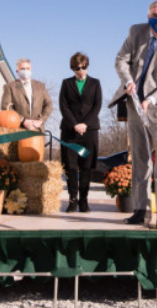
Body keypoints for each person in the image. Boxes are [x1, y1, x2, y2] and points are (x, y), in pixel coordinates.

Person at [113, 0, 157, 230]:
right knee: (139, 158)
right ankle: (140, 209)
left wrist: (151, 99)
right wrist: (128, 80)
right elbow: (121, 60)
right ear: (148, 17)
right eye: (155, 15)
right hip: (134, 103)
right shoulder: (136, 32)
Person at [58, 52, 103, 213]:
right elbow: (64, 106)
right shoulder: (66, 83)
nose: (81, 71)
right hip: (70, 131)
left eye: (83, 67)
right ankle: (72, 200)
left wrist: (85, 123)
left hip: (89, 131)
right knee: (70, 167)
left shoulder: (95, 83)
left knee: (86, 167)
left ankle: (83, 201)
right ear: (72, 68)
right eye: (77, 68)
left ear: (87, 66)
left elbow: (97, 106)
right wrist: (75, 124)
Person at [0, 57, 53, 132]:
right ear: (17, 71)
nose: (25, 71)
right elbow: (5, 106)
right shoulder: (10, 87)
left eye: (28, 68)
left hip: (38, 130)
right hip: (18, 130)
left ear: (31, 70)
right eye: (22, 69)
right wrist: (22, 120)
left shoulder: (40, 86)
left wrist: (41, 120)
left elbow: (48, 104)